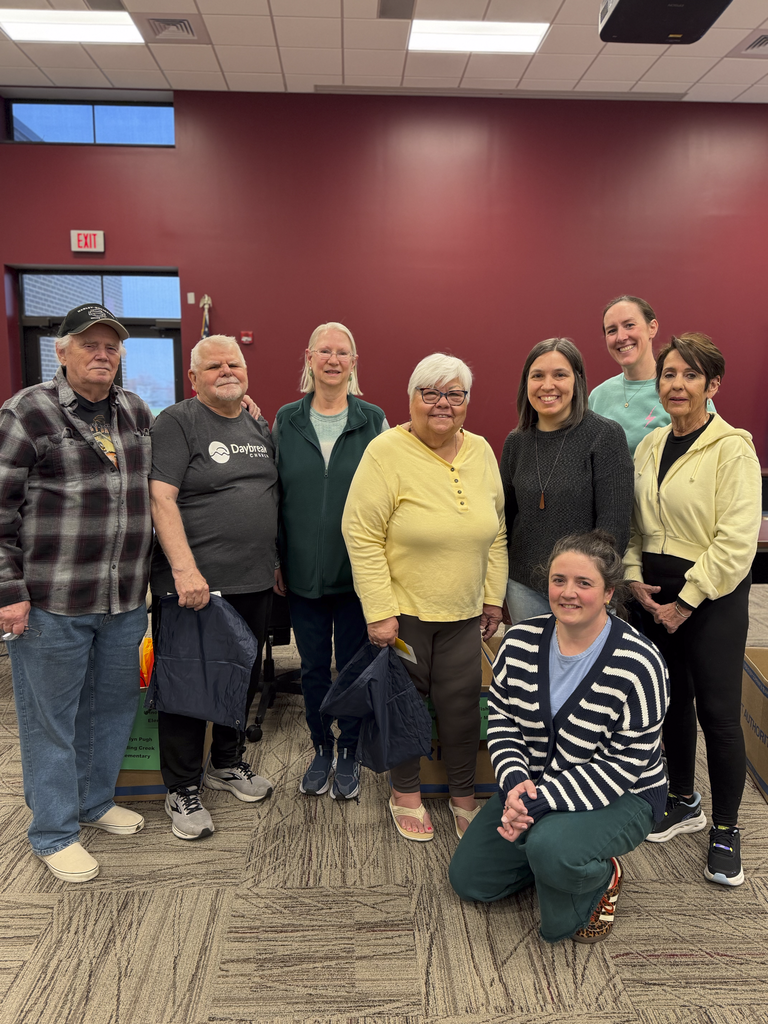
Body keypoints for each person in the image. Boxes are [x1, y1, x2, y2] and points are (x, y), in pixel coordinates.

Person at [449, 531, 669, 944]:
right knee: (470, 880)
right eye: (558, 580)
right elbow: (503, 720)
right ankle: (552, 854)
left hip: (625, 793)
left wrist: (539, 802)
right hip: (535, 783)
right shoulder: (518, 642)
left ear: (608, 593)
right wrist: (515, 784)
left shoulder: (640, 663)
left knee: (552, 852)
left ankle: (599, 874)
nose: (568, 593)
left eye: (584, 583)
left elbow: (624, 765)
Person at [0, 303, 151, 882]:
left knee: (111, 709)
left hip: (122, 598)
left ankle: (92, 803)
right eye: (89, 344)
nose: (102, 353)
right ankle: (53, 830)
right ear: (61, 351)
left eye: (112, 345)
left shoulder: (135, 412)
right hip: (50, 602)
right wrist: (9, 591)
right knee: (50, 721)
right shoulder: (27, 413)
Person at [342, 354, 507, 841]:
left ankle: (463, 794)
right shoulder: (385, 451)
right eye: (430, 393)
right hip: (404, 614)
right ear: (410, 399)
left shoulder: (480, 451)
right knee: (404, 704)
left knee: (460, 708)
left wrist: (492, 598)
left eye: (454, 394)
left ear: (466, 402)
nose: (443, 404)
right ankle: (405, 792)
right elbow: (361, 533)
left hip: (463, 612)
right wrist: (379, 611)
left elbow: (496, 532)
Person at [625, 332, 761, 886]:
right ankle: (684, 800)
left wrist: (687, 599)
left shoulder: (734, 448)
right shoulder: (650, 445)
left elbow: (735, 541)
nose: (676, 385)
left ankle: (726, 829)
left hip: (710, 596)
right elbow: (634, 526)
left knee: (719, 715)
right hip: (652, 594)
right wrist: (633, 579)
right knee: (669, 701)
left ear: (713, 385)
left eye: (689, 375)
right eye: (669, 375)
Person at [149, 335, 277, 840]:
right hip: (195, 585)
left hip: (253, 577)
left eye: (235, 363)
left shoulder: (255, 421)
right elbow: (162, 498)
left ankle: (226, 762)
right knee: (187, 686)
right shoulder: (177, 422)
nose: (227, 371)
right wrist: (184, 570)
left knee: (239, 677)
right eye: (215, 365)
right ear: (193, 377)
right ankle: (181, 787)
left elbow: (267, 491)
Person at [273, 322, 387, 800]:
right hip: (301, 574)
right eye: (325, 351)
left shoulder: (373, 419)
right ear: (309, 357)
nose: (334, 359)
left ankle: (350, 750)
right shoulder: (285, 419)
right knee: (315, 667)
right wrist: (277, 557)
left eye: (343, 352)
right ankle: (321, 746)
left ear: (354, 363)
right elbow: (274, 494)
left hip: (357, 573)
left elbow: (387, 496)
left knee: (356, 666)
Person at [501, 338, 634, 624]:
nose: (548, 385)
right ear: (527, 384)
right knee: (533, 667)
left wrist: (585, 583)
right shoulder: (516, 442)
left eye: (560, 375)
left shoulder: (605, 436)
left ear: (578, 381)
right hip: (524, 586)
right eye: (537, 376)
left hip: (583, 588)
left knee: (583, 667)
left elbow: (615, 528)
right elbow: (506, 519)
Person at [589, 294, 714, 455]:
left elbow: (709, 453)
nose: (621, 337)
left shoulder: (683, 390)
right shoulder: (598, 396)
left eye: (629, 325)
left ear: (652, 328)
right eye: (612, 330)